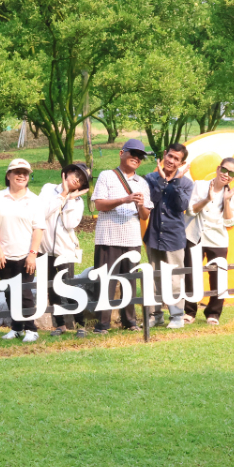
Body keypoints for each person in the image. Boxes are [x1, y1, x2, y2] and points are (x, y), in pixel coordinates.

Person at [90, 139, 153, 334]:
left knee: (129, 281)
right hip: (108, 237)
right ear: (121, 153)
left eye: (140, 156)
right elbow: (99, 204)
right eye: (133, 153)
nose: (136, 158)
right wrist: (124, 199)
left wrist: (140, 205)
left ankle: (130, 321)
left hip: (132, 239)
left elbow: (145, 216)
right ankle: (102, 324)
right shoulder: (107, 176)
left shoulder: (142, 183)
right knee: (105, 281)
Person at [0, 159, 46, 343]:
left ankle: (31, 329)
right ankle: (16, 328)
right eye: (17, 172)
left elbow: (38, 228)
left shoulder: (34, 199)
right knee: (8, 292)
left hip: (26, 254)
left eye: (25, 173)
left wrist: (32, 254)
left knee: (24, 293)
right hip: (3, 255)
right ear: (8, 175)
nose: (21, 176)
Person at [143, 143, 194, 329]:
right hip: (154, 234)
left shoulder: (186, 183)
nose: (171, 161)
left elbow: (181, 206)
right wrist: (163, 182)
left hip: (174, 237)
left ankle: (177, 315)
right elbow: (152, 201)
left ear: (182, 163)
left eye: (176, 159)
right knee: (153, 277)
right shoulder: (150, 178)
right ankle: (155, 315)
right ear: (164, 154)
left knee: (174, 277)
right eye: (170, 156)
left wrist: (176, 182)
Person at [184, 157, 234, 325]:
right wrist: (207, 199)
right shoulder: (200, 186)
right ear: (218, 169)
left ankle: (213, 313)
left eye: (231, 173)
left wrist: (227, 200)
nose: (226, 174)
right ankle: (189, 312)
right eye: (224, 170)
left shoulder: (231, 196)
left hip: (217, 240)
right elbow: (191, 211)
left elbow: (229, 222)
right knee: (191, 275)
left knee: (218, 277)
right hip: (194, 236)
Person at [39, 163, 91, 336]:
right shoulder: (48, 189)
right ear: (67, 173)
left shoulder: (78, 202)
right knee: (51, 287)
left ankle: (80, 324)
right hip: (44, 248)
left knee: (68, 285)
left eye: (81, 180)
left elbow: (69, 224)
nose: (77, 179)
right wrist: (62, 195)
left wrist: (70, 200)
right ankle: (59, 324)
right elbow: (41, 214)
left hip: (65, 250)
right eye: (76, 174)